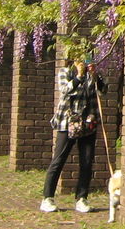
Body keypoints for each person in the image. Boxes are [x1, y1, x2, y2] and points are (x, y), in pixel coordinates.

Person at [41, 56, 106, 213]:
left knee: (86, 161)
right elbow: (65, 90)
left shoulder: (93, 74)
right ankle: (47, 198)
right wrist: (79, 76)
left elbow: (102, 91)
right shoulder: (65, 72)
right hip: (67, 121)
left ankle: (82, 198)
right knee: (59, 159)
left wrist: (95, 75)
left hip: (88, 121)